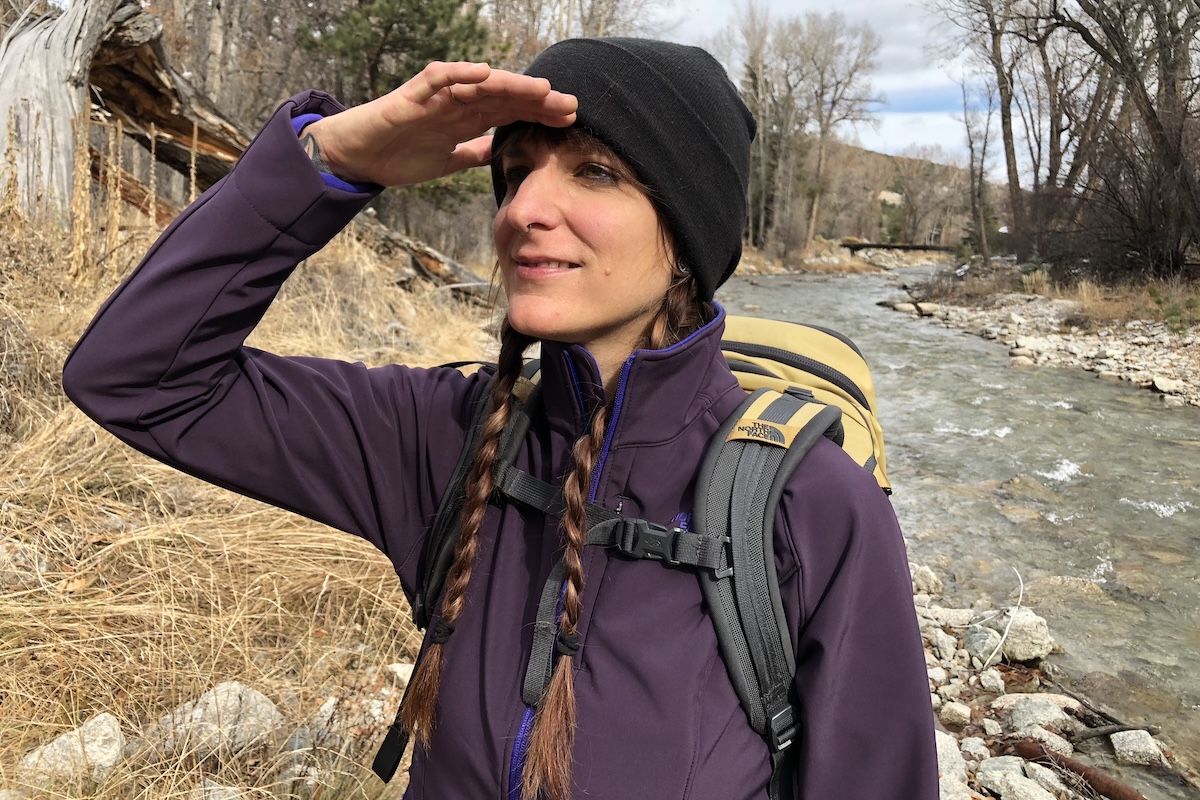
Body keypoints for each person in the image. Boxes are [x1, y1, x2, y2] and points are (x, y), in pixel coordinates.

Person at [64, 37, 938, 800]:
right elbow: (138, 378)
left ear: (687, 229)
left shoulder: (813, 506)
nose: (521, 210)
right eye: (517, 174)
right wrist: (331, 163)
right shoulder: (447, 439)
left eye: (595, 171)